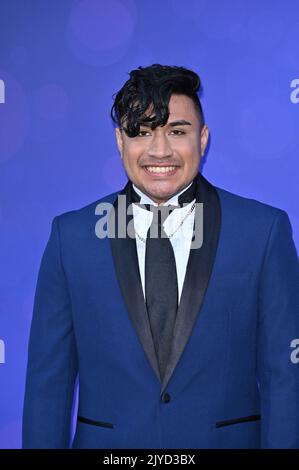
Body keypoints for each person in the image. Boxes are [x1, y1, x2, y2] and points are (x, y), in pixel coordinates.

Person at [22, 64, 299, 449]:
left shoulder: (263, 231)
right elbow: (47, 382)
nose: (159, 150)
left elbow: (285, 376)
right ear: (121, 141)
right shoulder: (71, 237)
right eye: (142, 132)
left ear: (202, 139)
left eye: (177, 131)